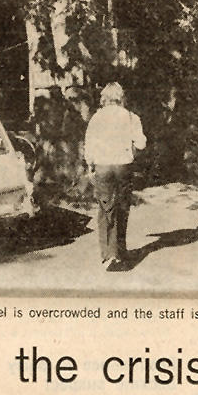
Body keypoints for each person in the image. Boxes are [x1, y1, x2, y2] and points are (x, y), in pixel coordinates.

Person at [84, 83, 145, 271]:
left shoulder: (96, 118)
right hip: (123, 165)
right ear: (121, 96)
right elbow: (141, 143)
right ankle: (121, 250)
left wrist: (90, 164)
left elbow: (89, 143)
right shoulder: (130, 116)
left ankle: (108, 255)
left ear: (104, 97)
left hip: (102, 165)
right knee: (122, 207)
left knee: (105, 209)